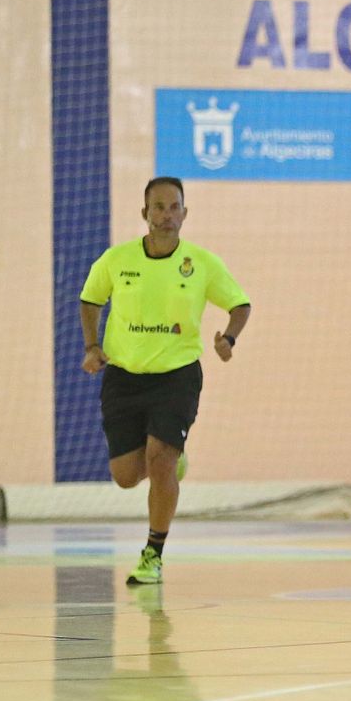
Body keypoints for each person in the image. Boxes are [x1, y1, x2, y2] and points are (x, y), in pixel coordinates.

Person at [80, 176, 250, 586]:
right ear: (145, 214)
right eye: (158, 207)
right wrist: (91, 346)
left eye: (174, 207)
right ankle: (174, 462)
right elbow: (90, 299)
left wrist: (228, 338)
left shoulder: (201, 263)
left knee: (160, 461)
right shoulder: (117, 260)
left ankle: (153, 553)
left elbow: (240, 304)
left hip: (177, 376)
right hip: (124, 376)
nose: (166, 215)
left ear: (184, 214)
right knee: (125, 476)